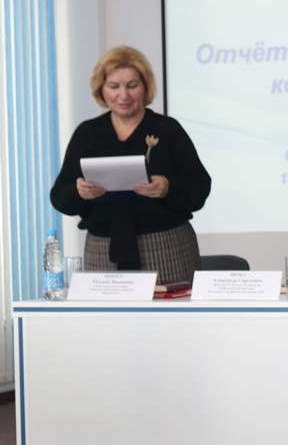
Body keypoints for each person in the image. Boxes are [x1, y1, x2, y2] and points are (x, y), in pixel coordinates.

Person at [49, 45, 211, 284]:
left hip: (166, 247)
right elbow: (59, 196)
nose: (123, 95)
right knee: (105, 311)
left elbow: (200, 187)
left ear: (145, 87)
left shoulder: (167, 129)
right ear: (101, 89)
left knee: (172, 310)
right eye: (114, 86)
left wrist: (167, 188)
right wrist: (79, 191)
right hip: (102, 251)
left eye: (132, 85)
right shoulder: (87, 133)